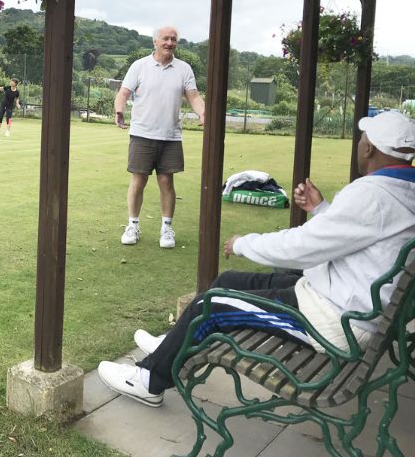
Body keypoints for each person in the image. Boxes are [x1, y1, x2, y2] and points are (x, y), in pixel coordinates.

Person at [98, 110, 415, 407]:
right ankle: (173, 344)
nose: (358, 144)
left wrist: (244, 243)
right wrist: (321, 210)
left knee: (211, 305)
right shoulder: (402, 191)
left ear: (370, 148)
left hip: (333, 323)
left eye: (362, 139)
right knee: (228, 281)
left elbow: (303, 246)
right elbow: (359, 236)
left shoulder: (372, 194)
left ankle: (150, 380)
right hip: (345, 303)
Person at [115, 26, 205, 249]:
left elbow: (193, 96)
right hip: (142, 133)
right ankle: (132, 225)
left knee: (166, 181)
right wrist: (119, 109)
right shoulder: (140, 66)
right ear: (155, 41)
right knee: (139, 180)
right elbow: (124, 92)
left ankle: (167, 228)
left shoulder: (184, 69)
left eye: (174, 39)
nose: (170, 42)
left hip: (171, 136)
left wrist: (203, 113)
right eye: (165, 38)